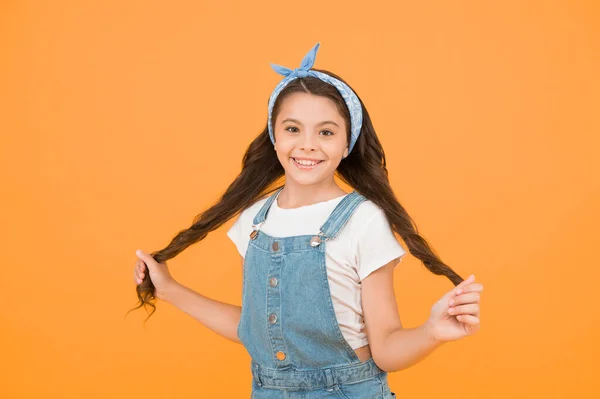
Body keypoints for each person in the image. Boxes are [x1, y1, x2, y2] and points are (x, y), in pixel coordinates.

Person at [130, 42, 484, 398]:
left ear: (347, 144)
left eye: (326, 132)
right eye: (293, 129)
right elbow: (255, 327)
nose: (308, 145)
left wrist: (432, 331)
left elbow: (387, 348)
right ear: (274, 135)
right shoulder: (255, 221)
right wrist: (169, 290)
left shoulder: (363, 220)